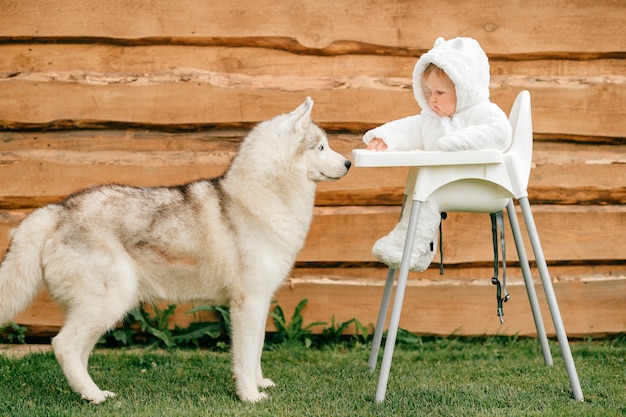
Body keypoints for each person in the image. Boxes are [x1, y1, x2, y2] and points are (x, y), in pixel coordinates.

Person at [363, 37, 512, 271]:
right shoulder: (433, 120)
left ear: (465, 89)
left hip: (482, 184)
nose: (432, 98)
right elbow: (410, 128)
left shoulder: (484, 113)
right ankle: (419, 250)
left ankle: (407, 246)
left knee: (428, 193)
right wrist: (386, 137)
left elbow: (500, 133)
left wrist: (454, 143)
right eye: (430, 91)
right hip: (448, 184)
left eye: (440, 92)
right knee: (420, 189)